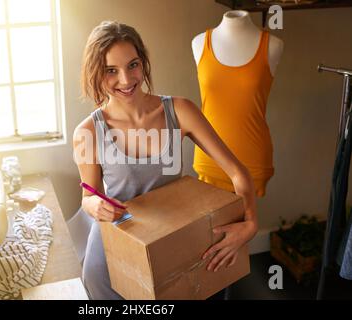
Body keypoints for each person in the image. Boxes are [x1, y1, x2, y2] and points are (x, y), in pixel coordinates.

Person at [72, 20, 258, 300]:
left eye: (133, 65)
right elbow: (88, 197)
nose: (126, 79)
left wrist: (251, 223)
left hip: (170, 247)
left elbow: (238, 173)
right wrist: (94, 204)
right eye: (111, 70)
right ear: (96, 73)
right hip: (112, 261)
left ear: (143, 63)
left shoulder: (179, 111)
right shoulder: (87, 132)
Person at [191, 10, 284, 197]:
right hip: (209, 157)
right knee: (211, 224)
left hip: (251, 158)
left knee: (245, 223)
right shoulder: (200, 42)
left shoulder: (273, 45)